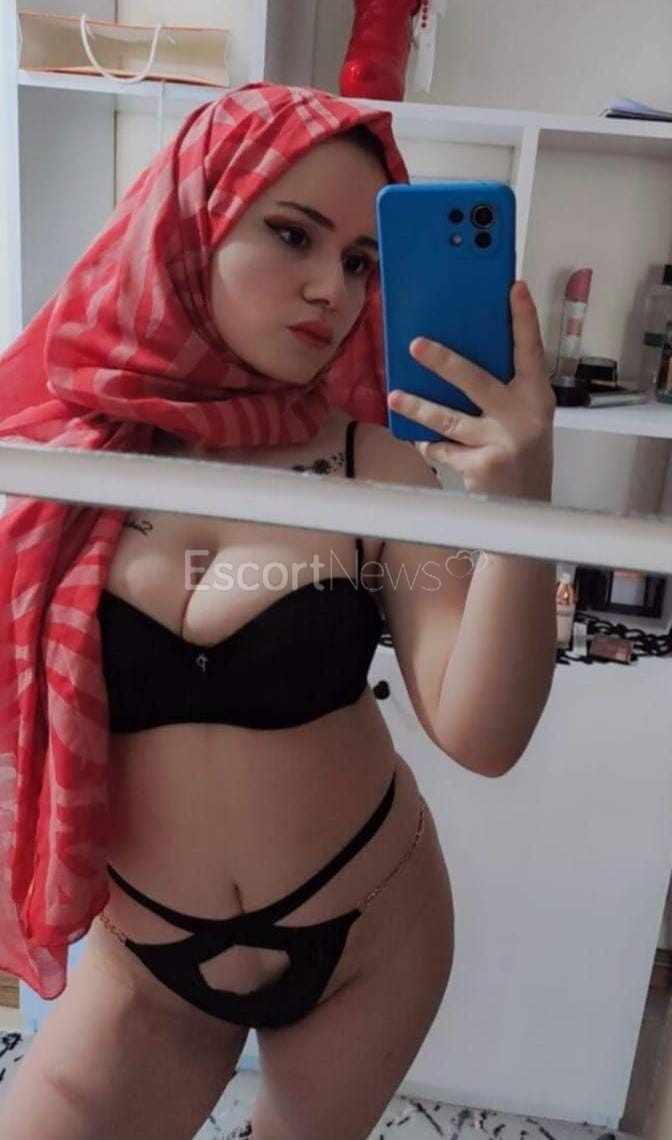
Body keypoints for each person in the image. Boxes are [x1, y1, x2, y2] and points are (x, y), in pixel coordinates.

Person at [0, 83, 557, 1140]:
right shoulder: (56, 446)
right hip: (146, 959)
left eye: (361, 262)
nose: (329, 290)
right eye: (293, 234)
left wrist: (520, 498)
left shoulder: (372, 461)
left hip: (368, 936)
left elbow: (483, 736)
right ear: (192, 220)